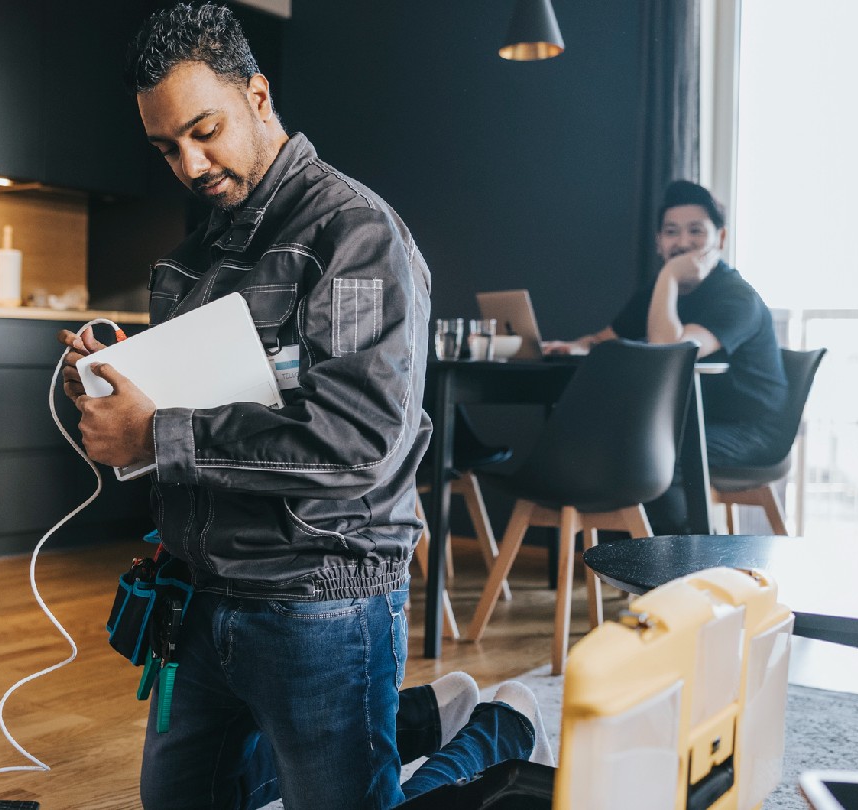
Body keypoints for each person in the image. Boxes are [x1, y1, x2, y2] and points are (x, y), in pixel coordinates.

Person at [56, 4, 550, 808]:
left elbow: (357, 442)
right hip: (200, 596)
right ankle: (412, 720)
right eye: (166, 147)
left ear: (257, 94)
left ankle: (495, 735)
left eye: (204, 129)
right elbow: (180, 435)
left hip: (321, 598)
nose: (189, 164)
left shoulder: (355, 237)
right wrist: (117, 396)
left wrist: (158, 430)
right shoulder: (186, 267)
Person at [544, 180, 788, 532]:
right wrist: (576, 347)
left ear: (720, 239)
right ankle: (652, 558)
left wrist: (670, 276)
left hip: (751, 429)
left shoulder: (736, 297)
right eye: (671, 232)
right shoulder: (658, 291)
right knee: (633, 439)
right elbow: (602, 339)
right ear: (659, 241)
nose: (683, 243)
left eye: (696, 231)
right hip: (693, 423)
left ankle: (688, 563)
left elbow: (668, 353)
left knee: (658, 450)